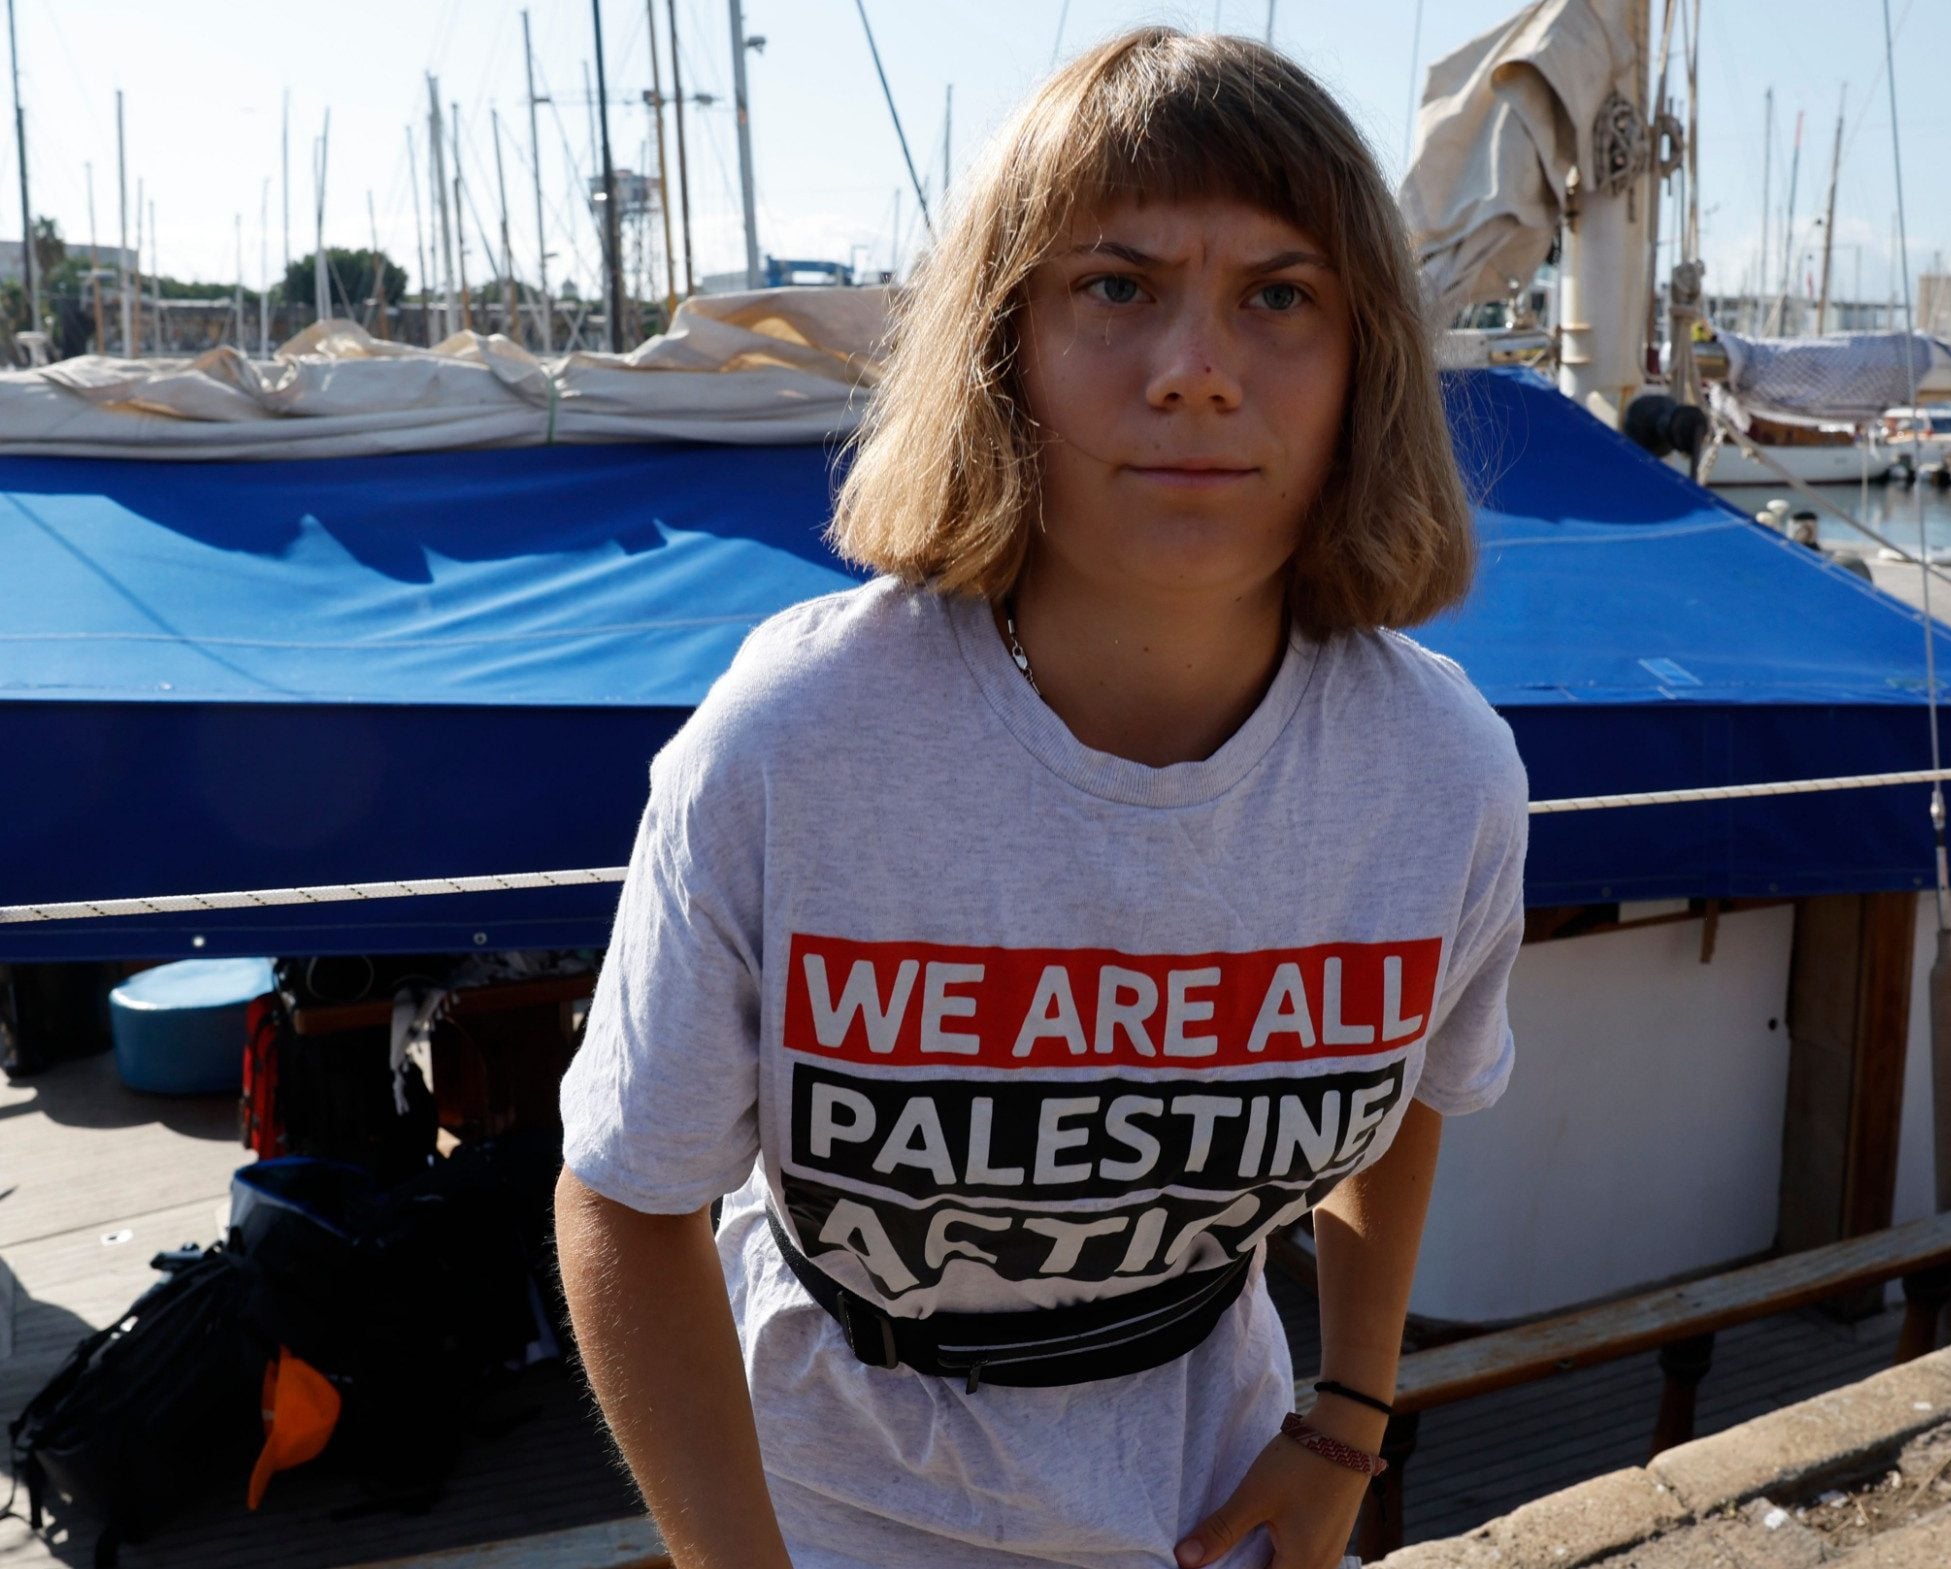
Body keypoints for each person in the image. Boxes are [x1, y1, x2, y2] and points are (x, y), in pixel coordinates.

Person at [553, 27, 1528, 1569]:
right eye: (1116, 286)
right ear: (1002, 344)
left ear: (1365, 368)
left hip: (1222, 1499)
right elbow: (626, 1199)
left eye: (1280, 296)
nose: (1197, 368)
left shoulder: (1441, 776)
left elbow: (1408, 1083)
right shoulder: (796, 744)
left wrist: (1347, 1417)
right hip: (840, 1508)